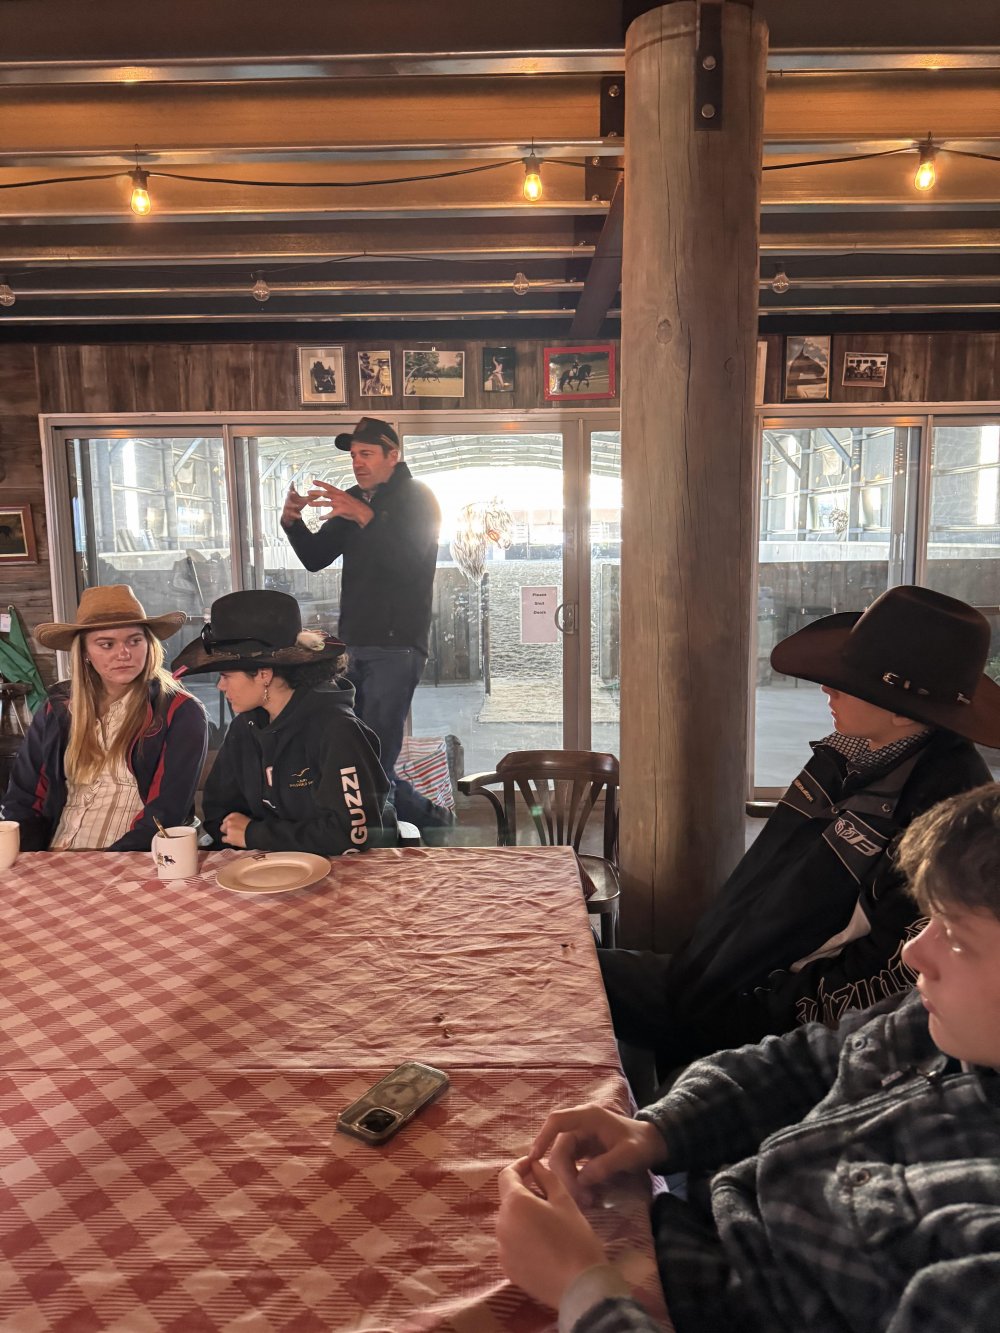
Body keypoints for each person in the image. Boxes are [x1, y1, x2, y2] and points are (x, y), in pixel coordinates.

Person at [497, 781, 1000, 1333]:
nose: (913, 951)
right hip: (695, 1222)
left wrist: (582, 1290)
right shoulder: (943, 1026)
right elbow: (803, 1063)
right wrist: (658, 1131)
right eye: (928, 920)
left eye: (957, 938)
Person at [599, 585, 999, 1086]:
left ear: (900, 709)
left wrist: (757, 1008)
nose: (827, 689)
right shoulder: (850, 757)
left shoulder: (944, 819)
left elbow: (892, 978)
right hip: (710, 979)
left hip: (761, 1018)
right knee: (552, 967)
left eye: (846, 682)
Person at [279, 416, 449, 829]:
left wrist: (367, 517)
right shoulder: (354, 499)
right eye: (354, 455)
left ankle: (420, 826)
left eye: (367, 453)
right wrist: (292, 523)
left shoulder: (418, 498)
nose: (357, 462)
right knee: (353, 751)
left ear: (393, 455)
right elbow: (316, 558)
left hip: (399, 646)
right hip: (353, 643)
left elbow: (411, 563)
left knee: (375, 757)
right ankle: (424, 823)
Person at [172, 589, 391, 855]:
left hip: (336, 873)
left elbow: (353, 834)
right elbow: (219, 811)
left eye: (226, 675)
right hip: (261, 869)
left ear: (263, 674)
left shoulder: (338, 731)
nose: (220, 685)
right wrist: (247, 840)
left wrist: (255, 834)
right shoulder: (245, 727)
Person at [1, 585, 207, 851]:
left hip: (134, 857)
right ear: (84, 653)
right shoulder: (57, 708)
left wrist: (111, 862)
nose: (124, 653)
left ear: (149, 645)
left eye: (134, 641)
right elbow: (24, 797)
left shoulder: (179, 711)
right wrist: (30, 858)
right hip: (52, 854)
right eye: (107, 644)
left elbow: (166, 811)